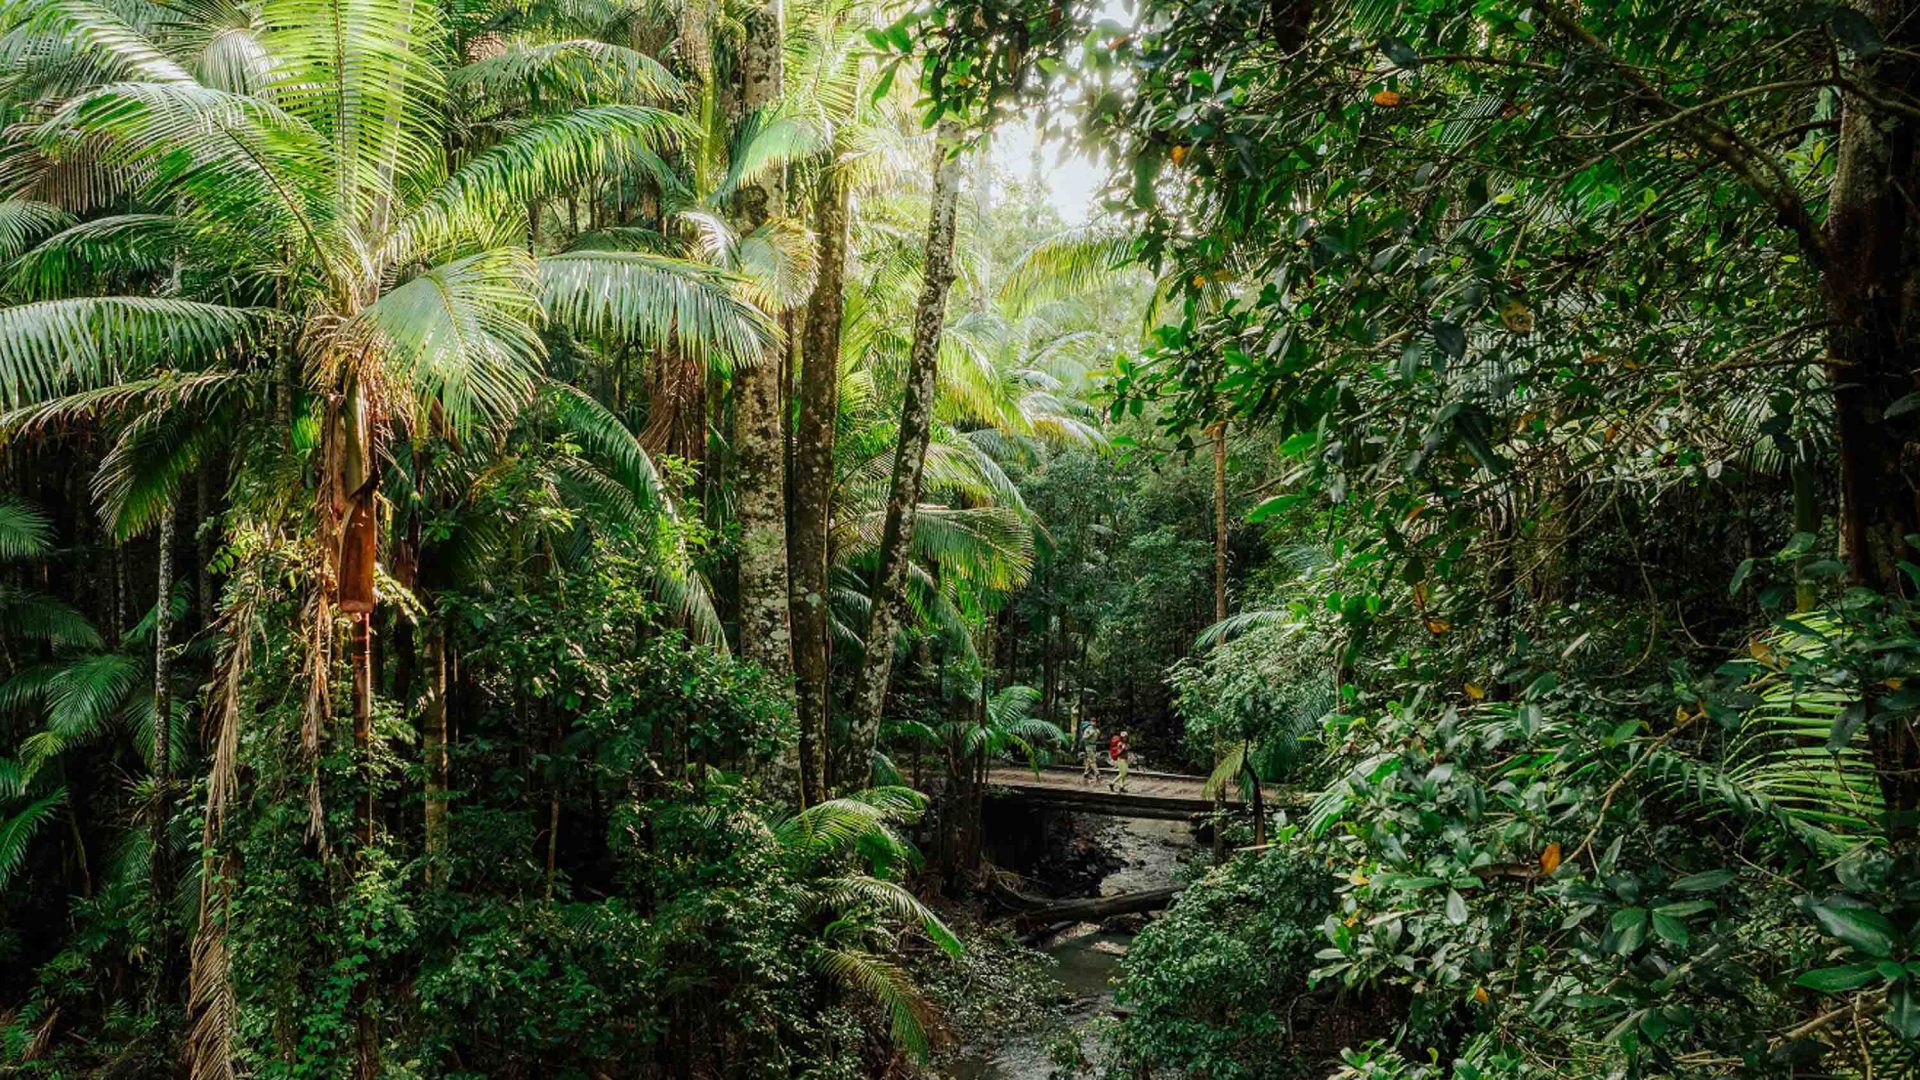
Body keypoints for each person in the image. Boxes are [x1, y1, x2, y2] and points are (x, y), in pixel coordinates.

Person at [1080, 717, 1103, 785]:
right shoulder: (1088, 729)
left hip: (1094, 746)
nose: (1094, 723)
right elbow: (1084, 737)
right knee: (1093, 760)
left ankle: (1086, 773)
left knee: (1089, 760)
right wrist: (1089, 735)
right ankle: (1097, 774)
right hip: (1088, 746)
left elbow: (1098, 737)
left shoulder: (1096, 730)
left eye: (1095, 721)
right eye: (1092, 721)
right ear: (1090, 722)